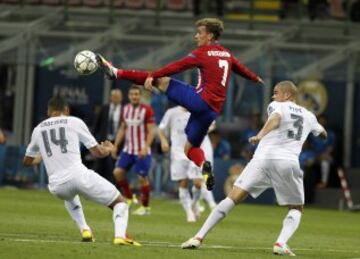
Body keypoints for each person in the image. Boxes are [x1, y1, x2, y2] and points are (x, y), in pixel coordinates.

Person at [96, 18, 263, 191]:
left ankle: (116, 72)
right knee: (190, 148)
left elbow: (176, 66)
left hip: (200, 101)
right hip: (213, 111)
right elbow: (240, 68)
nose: (196, 36)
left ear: (210, 36)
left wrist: (153, 75)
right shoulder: (227, 54)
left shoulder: (202, 53)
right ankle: (204, 165)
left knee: (162, 81)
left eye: (200, 33)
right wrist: (255, 78)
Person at [181, 81, 327, 256]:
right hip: (287, 162)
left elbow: (276, 119)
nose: (273, 96)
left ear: (287, 95)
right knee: (296, 208)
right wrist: (320, 133)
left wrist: (260, 135)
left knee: (233, 197)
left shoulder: (277, 106)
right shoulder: (309, 116)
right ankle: (280, 243)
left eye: (276, 92)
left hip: (262, 159)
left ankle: (198, 237)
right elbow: (322, 132)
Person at [23, 96, 140, 246]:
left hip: (57, 186)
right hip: (79, 176)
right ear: (67, 110)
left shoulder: (38, 129)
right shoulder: (74, 121)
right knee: (120, 203)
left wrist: (44, 155)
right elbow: (97, 152)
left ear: (48, 111)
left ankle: (85, 229)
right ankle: (120, 236)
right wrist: (108, 149)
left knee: (69, 195)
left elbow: (27, 161)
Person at [158, 106, 216, 222]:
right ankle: (189, 212)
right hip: (178, 152)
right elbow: (161, 129)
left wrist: (204, 129)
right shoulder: (172, 112)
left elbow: (212, 124)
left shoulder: (199, 109)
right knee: (183, 183)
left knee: (198, 183)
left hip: (194, 151)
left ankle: (194, 203)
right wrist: (164, 141)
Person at [112, 85, 155, 216]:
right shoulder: (125, 109)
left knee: (142, 178)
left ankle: (145, 207)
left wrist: (146, 146)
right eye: (132, 94)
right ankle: (130, 198)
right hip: (128, 149)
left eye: (137, 94)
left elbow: (151, 131)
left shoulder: (147, 110)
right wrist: (115, 145)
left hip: (142, 150)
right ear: (129, 96)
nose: (134, 97)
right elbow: (122, 128)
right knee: (117, 172)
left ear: (140, 96)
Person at [92, 89, 123, 182]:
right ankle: (95, 185)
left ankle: (114, 187)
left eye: (117, 97)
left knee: (114, 168)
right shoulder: (104, 108)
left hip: (117, 144)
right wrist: (94, 142)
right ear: (110, 97)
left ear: (121, 98)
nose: (115, 99)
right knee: (99, 166)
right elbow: (96, 125)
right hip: (104, 142)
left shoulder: (125, 110)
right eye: (113, 97)